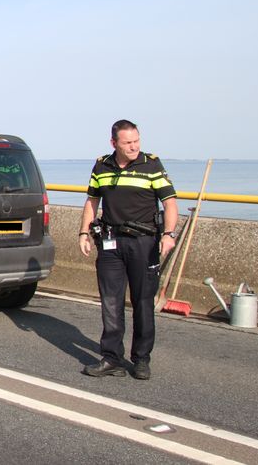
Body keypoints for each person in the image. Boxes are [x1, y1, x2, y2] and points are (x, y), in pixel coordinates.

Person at [79, 119, 178, 380]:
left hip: (144, 243)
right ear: (114, 143)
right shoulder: (102, 165)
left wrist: (168, 234)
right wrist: (83, 232)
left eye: (136, 141)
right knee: (110, 303)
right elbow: (92, 201)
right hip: (111, 243)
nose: (134, 147)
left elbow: (169, 202)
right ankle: (112, 358)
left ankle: (141, 359)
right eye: (127, 143)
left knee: (143, 302)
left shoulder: (151, 164)